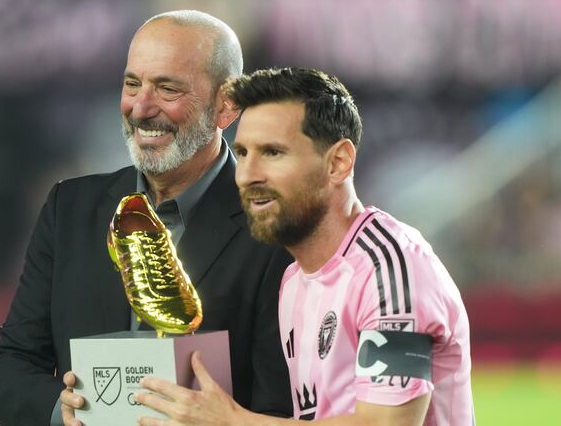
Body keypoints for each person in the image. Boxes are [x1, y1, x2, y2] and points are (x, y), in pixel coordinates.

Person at [0, 11, 293, 426]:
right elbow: (7, 370)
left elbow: (287, 404)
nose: (141, 108)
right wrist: (63, 411)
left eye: (167, 88)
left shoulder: (275, 226)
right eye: (132, 84)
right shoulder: (69, 208)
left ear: (226, 105)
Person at [136, 67, 474, 425]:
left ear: (338, 162)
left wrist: (233, 421)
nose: (248, 174)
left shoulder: (390, 267)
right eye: (243, 152)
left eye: (272, 153)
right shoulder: (294, 278)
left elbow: (386, 423)